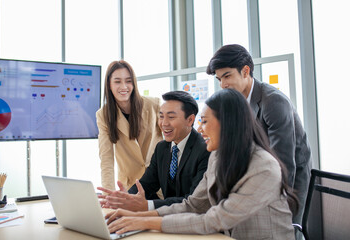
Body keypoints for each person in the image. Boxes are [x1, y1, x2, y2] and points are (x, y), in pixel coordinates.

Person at [104, 89, 297, 240]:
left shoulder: (264, 167)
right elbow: (193, 205)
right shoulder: (217, 156)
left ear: (227, 123)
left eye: (204, 121)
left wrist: (145, 222)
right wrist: (137, 217)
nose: (199, 128)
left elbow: (215, 219)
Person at [206, 44, 312, 227]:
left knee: (283, 230)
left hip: (291, 181)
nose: (223, 85)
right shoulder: (238, 102)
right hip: (263, 174)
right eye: (219, 79)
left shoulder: (273, 101)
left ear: (245, 71)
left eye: (227, 76)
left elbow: (285, 162)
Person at [98, 91, 210, 211]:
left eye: (171, 117)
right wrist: (126, 198)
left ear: (190, 120)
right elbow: (146, 184)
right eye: (161, 116)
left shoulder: (205, 150)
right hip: (167, 219)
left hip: (195, 221)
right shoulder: (162, 148)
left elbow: (193, 200)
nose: (164, 123)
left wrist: (148, 205)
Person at [96, 60, 163, 191]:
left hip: (158, 182)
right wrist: (109, 196)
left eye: (128, 81)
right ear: (109, 84)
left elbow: (171, 141)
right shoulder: (103, 115)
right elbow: (106, 159)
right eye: (117, 81)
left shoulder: (153, 105)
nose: (124, 86)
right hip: (130, 185)